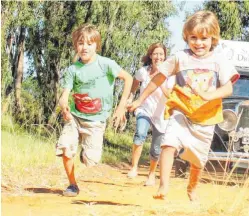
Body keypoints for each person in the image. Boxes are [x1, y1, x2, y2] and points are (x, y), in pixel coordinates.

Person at [127, 10, 239, 201]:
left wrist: (209, 94)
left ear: (213, 38)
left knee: (198, 161)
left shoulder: (219, 60)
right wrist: (140, 99)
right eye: (193, 37)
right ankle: (163, 185)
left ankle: (192, 189)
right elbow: (158, 78)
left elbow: (228, 88)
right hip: (181, 112)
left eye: (204, 38)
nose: (199, 42)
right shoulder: (180, 57)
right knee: (168, 144)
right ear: (186, 37)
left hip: (206, 118)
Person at [56, 24, 132, 197]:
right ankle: (73, 184)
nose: (85, 47)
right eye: (81, 43)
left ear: (96, 45)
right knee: (66, 148)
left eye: (90, 43)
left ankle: (85, 153)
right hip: (74, 117)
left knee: (91, 160)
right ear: (76, 45)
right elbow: (64, 94)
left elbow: (128, 78)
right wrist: (64, 104)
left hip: (96, 121)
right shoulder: (73, 69)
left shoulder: (106, 64)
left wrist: (121, 107)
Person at [126, 43, 175, 187]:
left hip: (161, 114)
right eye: (155, 54)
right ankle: (134, 167)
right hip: (144, 109)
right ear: (150, 56)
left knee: (156, 148)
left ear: (165, 57)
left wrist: (160, 79)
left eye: (161, 54)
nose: (158, 57)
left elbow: (169, 95)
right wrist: (130, 97)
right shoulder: (143, 72)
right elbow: (134, 83)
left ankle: (151, 175)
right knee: (140, 133)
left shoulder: (170, 76)